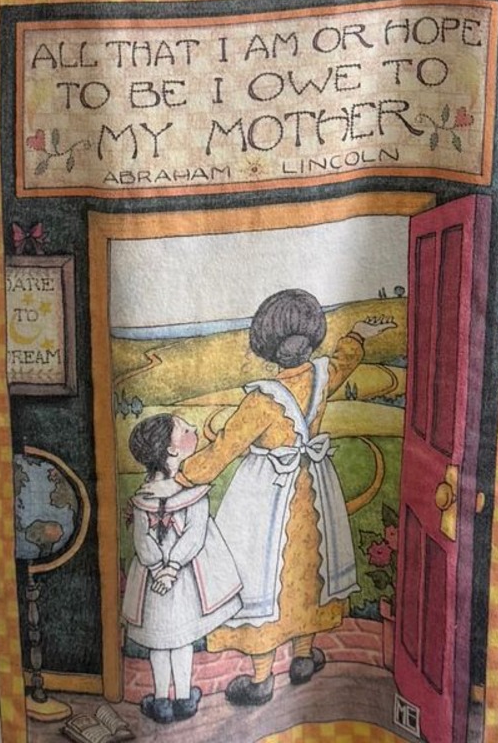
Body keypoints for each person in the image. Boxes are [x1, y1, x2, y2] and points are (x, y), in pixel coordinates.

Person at [176, 288, 395, 706]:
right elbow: (345, 360)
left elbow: (221, 452)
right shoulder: (321, 377)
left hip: (268, 497)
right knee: (308, 570)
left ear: (267, 345)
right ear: (311, 338)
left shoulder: (261, 400)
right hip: (312, 491)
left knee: (262, 576)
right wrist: (358, 335)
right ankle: (303, 657)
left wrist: (182, 475)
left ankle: (261, 679)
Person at [121, 413, 244, 724]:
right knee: (180, 640)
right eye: (186, 429)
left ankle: (162, 700)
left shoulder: (143, 497)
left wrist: (159, 569)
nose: (194, 429)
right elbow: (194, 535)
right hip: (184, 580)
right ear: (172, 450)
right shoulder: (192, 493)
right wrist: (173, 567)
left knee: (161, 642)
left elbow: (143, 541)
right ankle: (182, 698)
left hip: (153, 582)